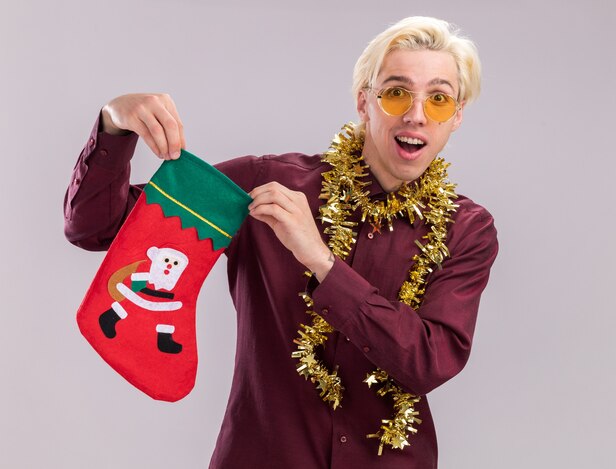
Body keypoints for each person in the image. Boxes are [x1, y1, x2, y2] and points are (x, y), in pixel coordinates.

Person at [64, 16, 498, 469]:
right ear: (364, 102)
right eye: (396, 92)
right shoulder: (266, 184)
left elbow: (428, 361)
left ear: (458, 116)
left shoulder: (466, 230)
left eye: (440, 99)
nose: (416, 114)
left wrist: (321, 260)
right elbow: (95, 228)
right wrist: (114, 125)